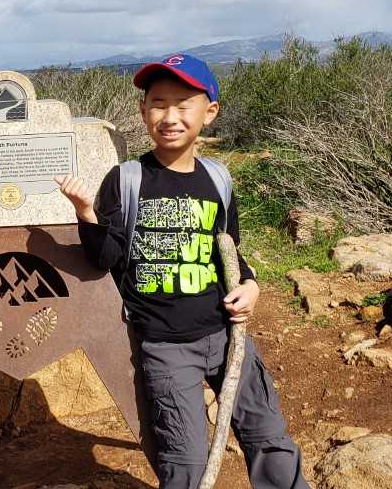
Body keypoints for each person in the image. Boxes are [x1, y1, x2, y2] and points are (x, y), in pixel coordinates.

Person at [56, 54, 310, 488]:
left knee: (268, 436)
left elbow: (230, 248)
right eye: (158, 103)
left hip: (229, 334)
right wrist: (86, 214)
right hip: (165, 347)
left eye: (183, 104)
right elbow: (107, 257)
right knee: (185, 458)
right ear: (143, 111)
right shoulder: (127, 179)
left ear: (209, 112)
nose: (169, 116)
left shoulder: (218, 179)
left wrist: (251, 285)